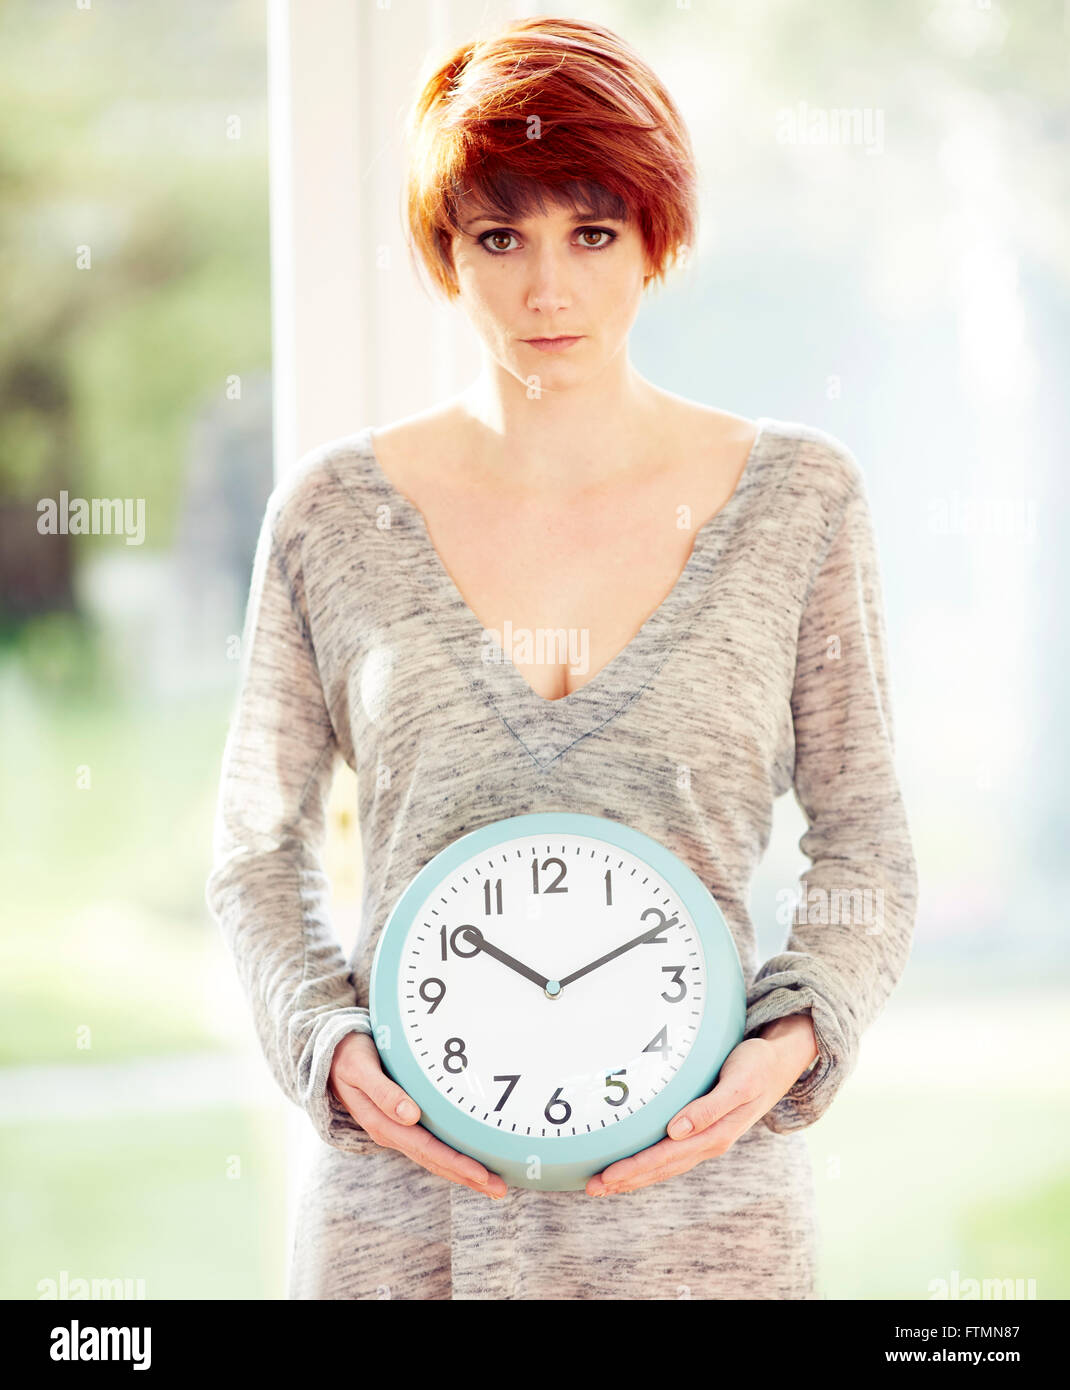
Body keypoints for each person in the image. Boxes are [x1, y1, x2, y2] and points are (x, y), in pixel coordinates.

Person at [205, 14, 918, 1300]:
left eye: (591, 232)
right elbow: (259, 849)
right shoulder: (331, 514)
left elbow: (863, 834)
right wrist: (323, 1039)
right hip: (405, 1218)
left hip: (706, 1214)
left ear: (656, 238)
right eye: (499, 237)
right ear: (444, 254)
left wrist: (796, 1034)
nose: (547, 290)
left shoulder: (797, 501)